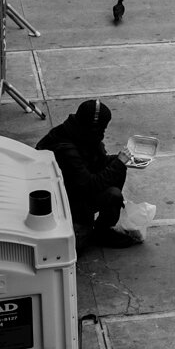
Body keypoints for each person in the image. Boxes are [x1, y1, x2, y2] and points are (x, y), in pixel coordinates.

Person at [37, 98, 141, 248]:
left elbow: (94, 162)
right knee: (113, 194)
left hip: (72, 186)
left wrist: (119, 160)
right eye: (102, 129)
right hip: (59, 201)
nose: (103, 133)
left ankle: (98, 226)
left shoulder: (78, 132)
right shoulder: (65, 148)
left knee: (117, 168)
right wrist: (118, 163)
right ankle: (95, 230)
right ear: (93, 128)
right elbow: (89, 184)